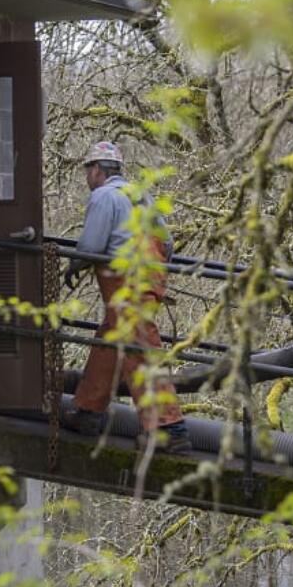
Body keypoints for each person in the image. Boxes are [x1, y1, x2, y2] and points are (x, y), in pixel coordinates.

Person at [60, 141, 191, 454]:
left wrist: (73, 266)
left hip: (126, 281)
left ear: (96, 170)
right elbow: (167, 243)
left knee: (140, 351)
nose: (87, 178)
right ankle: (88, 412)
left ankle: (169, 428)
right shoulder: (140, 194)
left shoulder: (103, 196)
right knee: (111, 341)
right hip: (150, 276)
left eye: (88, 170)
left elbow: (91, 246)